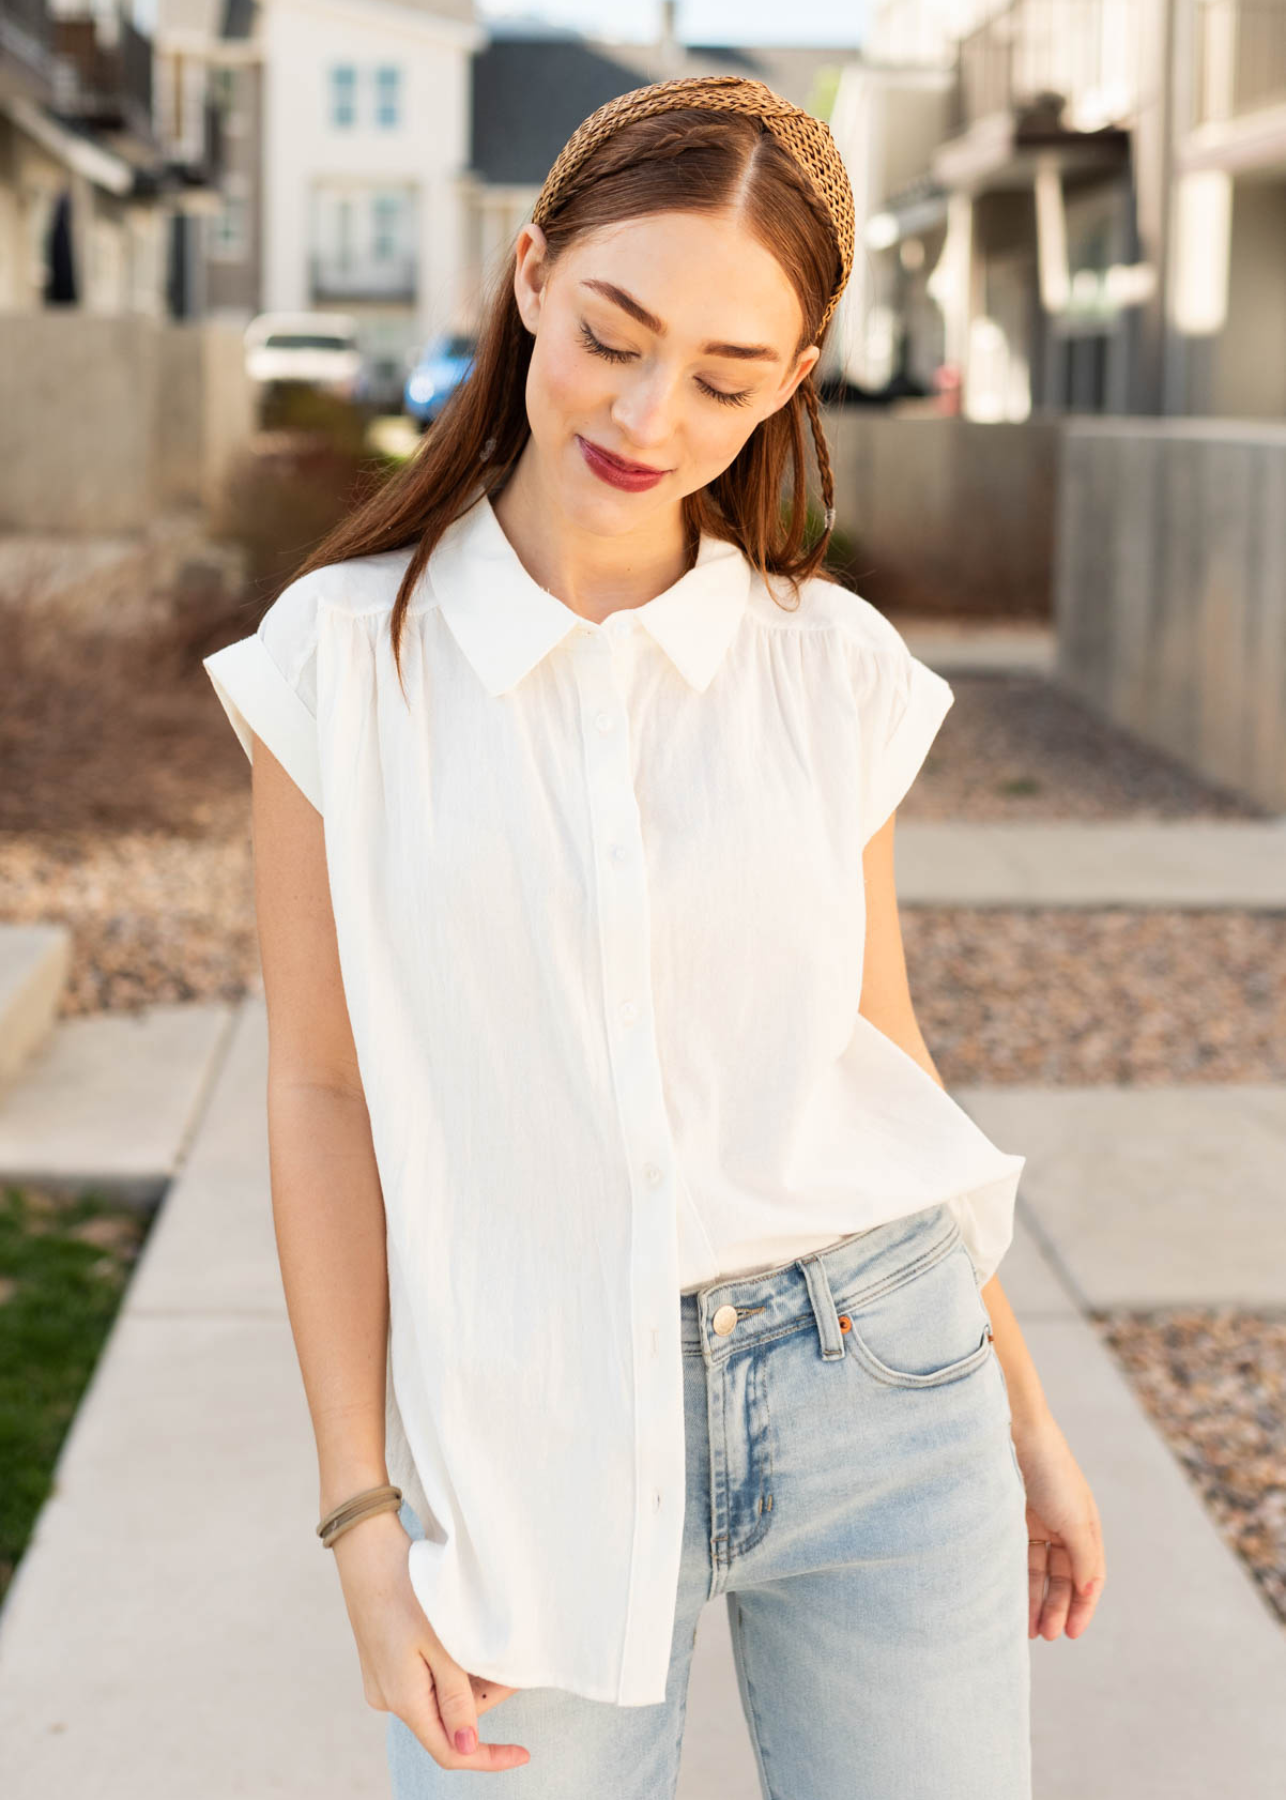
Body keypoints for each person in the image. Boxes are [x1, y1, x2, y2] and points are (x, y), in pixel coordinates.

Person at [203, 74, 1105, 1799]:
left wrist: (1027, 1414)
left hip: (878, 1382)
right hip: (523, 1429)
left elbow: (880, 1059)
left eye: (723, 375)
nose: (646, 411)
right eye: (613, 332)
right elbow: (322, 1094)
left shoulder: (824, 669)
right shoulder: (336, 664)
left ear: (792, 380)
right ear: (531, 273)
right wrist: (359, 1521)